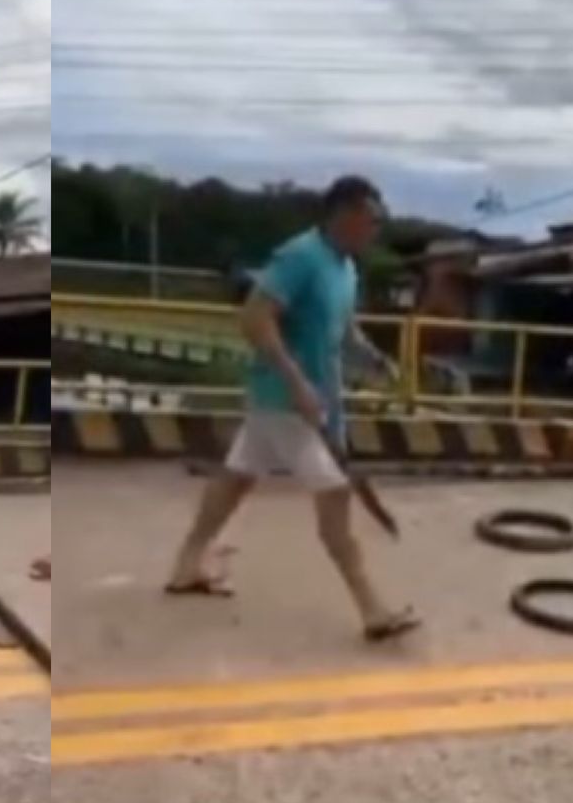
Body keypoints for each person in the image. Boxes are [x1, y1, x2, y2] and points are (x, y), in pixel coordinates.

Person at [164, 175, 418, 641]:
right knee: (336, 492)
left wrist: (376, 360)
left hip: (314, 401)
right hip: (287, 401)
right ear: (345, 214)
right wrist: (296, 380)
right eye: (372, 220)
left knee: (237, 477)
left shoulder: (346, 267)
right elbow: (254, 318)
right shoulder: (299, 257)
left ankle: (186, 565)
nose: (376, 229)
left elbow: (344, 329)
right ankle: (372, 608)